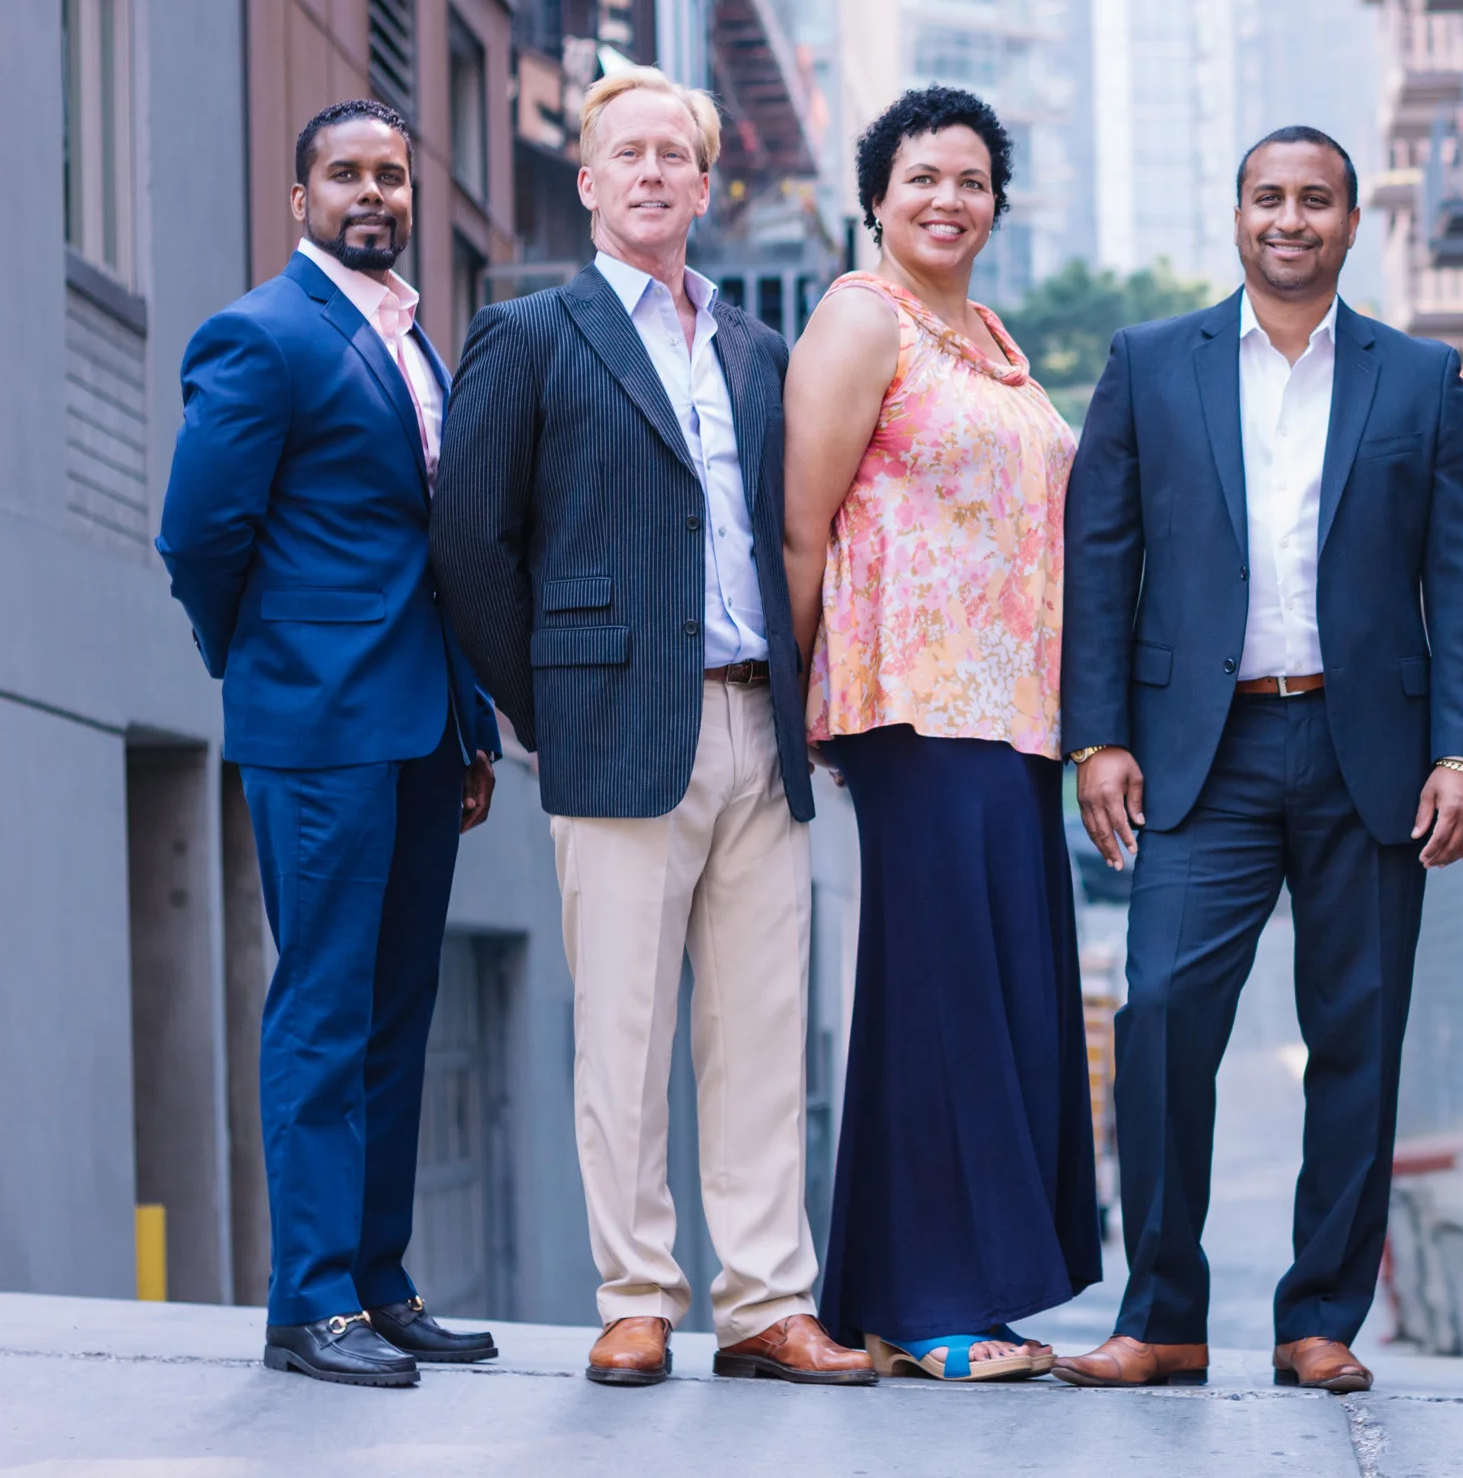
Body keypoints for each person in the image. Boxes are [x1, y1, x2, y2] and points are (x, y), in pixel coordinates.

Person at [431, 67, 869, 1389]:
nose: (654, 173)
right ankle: (635, 1297)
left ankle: (764, 1301)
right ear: (588, 180)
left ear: (705, 180)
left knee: (760, 1029)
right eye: (628, 153)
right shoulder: (531, 335)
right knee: (621, 1033)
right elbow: (471, 542)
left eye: (677, 153)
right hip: (613, 730)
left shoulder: (755, 347)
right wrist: (541, 704)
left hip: (758, 721)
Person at [1052, 127, 1463, 1393]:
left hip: (1374, 750)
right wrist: (1096, 735)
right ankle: (1162, 1313)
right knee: (1156, 1017)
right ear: (1236, 214)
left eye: (1315, 200)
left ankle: (1319, 1318)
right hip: (1204, 749)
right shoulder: (1151, 364)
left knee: (1356, 1033)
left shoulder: (1420, 378)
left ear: (1352, 224)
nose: (1290, 219)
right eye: (1269, 198)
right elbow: (1100, 558)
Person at [159, 100, 501, 1387]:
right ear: (298, 196)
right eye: (346, 174)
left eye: (392, 176)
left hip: (421, 726)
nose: (373, 193)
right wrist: (269, 671)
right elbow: (200, 535)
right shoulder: (263, 335)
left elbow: (433, 549)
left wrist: (469, 720)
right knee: (322, 1004)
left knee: (397, 1009)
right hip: (318, 725)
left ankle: (376, 1276)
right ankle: (307, 1301)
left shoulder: (416, 344)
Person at [782, 86, 1100, 1382]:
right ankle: (927, 1302)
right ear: (877, 196)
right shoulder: (863, 319)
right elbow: (803, 522)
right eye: (922, 177)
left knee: (994, 994)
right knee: (941, 994)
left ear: (997, 205)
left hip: (1009, 715)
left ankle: (919, 1290)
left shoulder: (995, 343)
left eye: (971, 180)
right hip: (913, 700)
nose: (947, 199)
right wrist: (797, 699)